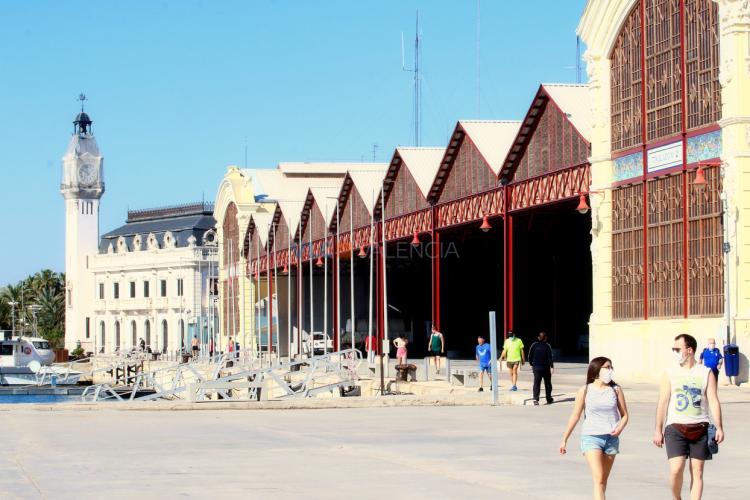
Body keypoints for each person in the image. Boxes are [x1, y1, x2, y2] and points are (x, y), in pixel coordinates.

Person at [653, 333, 724, 500]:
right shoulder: (669, 373)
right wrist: (658, 429)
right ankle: (676, 497)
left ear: (689, 350)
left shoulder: (706, 373)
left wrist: (719, 426)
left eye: (677, 349)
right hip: (675, 428)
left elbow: (713, 400)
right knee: (676, 469)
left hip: (700, 427)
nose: (674, 353)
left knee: (697, 472)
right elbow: (663, 402)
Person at [560, 357, 629, 500]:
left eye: (611, 367)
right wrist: (564, 439)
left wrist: (620, 428)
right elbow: (575, 416)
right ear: (596, 370)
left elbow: (625, 415)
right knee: (598, 478)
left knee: (603, 480)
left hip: (611, 438)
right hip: (591, 438)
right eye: (607, 367)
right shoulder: (585, 390)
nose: (610, 370)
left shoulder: (616, 390)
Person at [528, 331, 554, 405]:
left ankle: (536, 399)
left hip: (536, 367)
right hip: (545, 368)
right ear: (545, 338)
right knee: (548, 383)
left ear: (538, 338)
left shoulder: (534, 345)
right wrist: (552, 366)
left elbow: (530, 356)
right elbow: (550, 357)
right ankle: (548, 398)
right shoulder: (547, 346)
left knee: (536, 383)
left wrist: (531, 364)